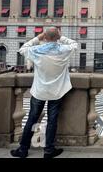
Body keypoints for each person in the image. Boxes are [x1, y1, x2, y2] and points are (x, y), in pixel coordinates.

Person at [10, 27, 78, 158]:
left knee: (32, 118)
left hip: (39, 91)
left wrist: (38, 37)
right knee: (52, 121)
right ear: (58, 37)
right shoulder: (64, 50)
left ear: (45, 37)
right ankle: (48, 150)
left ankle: (23, 149)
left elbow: (22, 48)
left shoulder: (36, 51)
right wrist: (60, 37)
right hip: (56, 92)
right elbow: (74, 44)